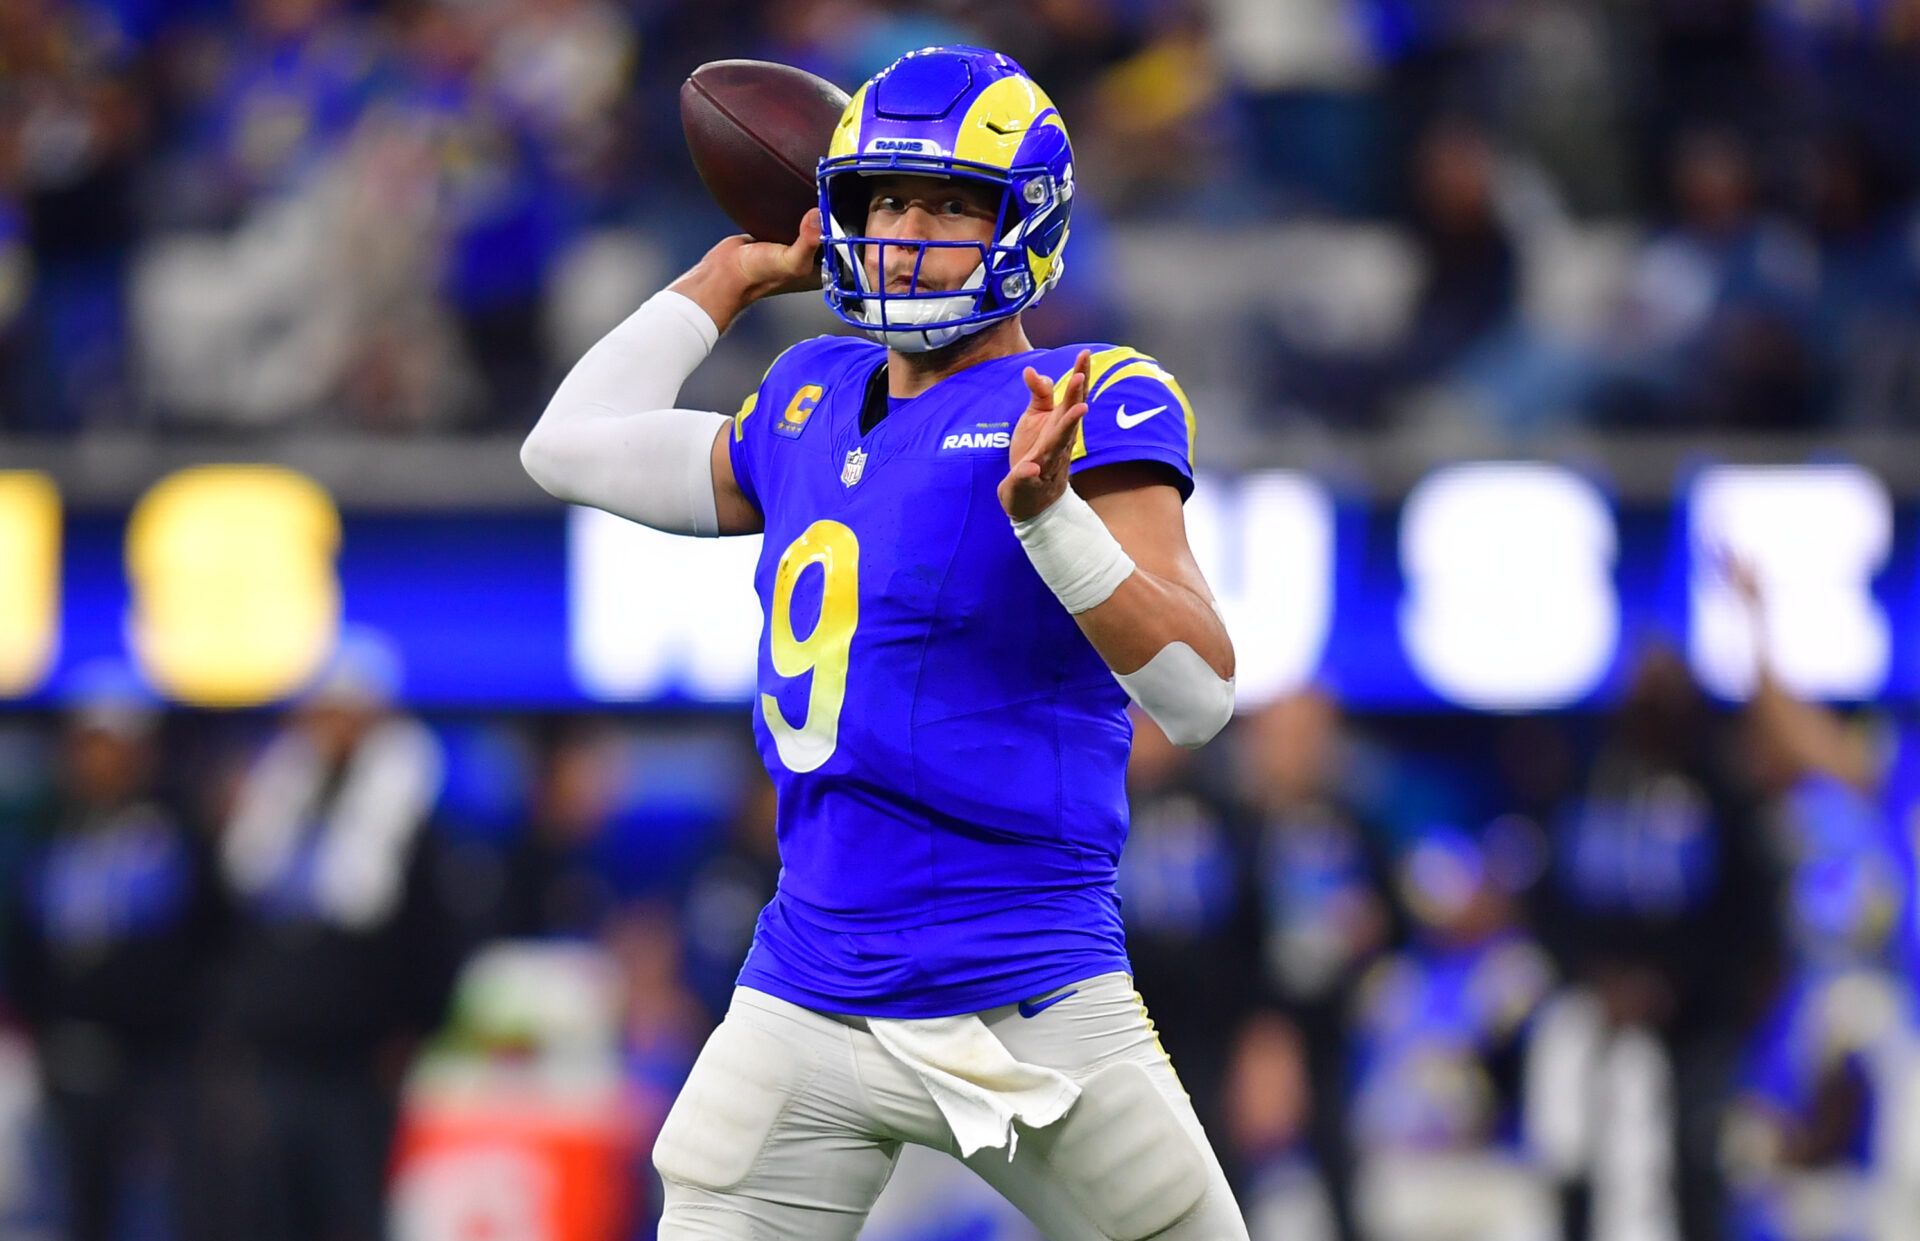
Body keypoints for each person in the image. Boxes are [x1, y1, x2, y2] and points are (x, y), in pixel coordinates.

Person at [521, 43, 1246, 1240]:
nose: (909, 232)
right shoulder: (806, 395)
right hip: (808, 979)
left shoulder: (1087, 392)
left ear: (1027, 223)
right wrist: (728, 274)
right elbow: (568, 443)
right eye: (885, 199)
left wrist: (1051, 518)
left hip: (1023, 984)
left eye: (953, 204)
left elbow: (1200, 694)